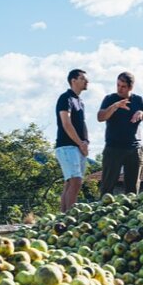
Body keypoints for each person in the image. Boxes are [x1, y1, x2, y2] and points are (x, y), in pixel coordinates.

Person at [97, 71, 143, 195]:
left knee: (132, 190)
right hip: (113, 148)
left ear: (130, 87)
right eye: (118, 85)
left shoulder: (138, 100)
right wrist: (115, 106)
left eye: (123, 86)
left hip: (134, 149)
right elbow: (100, 117)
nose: (119, 89)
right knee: (106, 188)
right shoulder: (109, 99)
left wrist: (142, 114)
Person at [55, 69, 89, 212]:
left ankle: (63, 218)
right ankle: (70, 218)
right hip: (67, 146)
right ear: (73, 81)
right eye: (83, 78)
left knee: (70, 183)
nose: (87, 81)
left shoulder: (80, 101)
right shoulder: (65, 98)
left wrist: (86, 141)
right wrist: (80, 143)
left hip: (78, 147)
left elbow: (82, 123)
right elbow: (66, 123)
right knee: (75, 181)